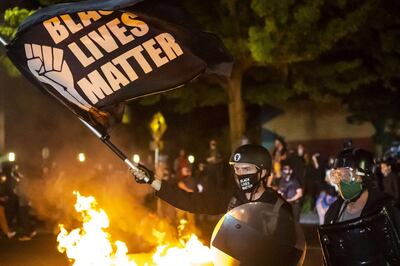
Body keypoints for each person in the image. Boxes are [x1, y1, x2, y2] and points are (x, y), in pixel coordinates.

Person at [131, 144, 306, 265]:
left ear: (263, 172)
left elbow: (290, 251)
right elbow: (189, 201)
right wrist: (152, 180)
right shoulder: (231, 198)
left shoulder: (278, 205)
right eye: (237, 169)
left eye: (246, 169)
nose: (240, 174)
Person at [318, 144, 400, 265]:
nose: (341, 181)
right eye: (337, 175)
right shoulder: (333, 211)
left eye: (346, 175)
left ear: (364, 175)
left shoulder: (385, 208)